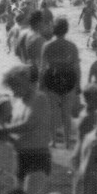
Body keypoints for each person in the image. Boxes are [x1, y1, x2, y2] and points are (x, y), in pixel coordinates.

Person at [0, 64, 54, 194]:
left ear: (26, 82)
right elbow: (15, 133)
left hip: (37, 157)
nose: (13, 91)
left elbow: (30, 124)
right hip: (20, 156)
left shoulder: (39, 99)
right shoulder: (18, 103)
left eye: (15, 86)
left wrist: (4, 130)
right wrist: (0, 133)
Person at [39, 16, 80, 149]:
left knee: (53, 111)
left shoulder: (47, 45)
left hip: (52, 77)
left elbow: (43, 67)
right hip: (68, 77)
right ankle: (67, 142)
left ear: (54, 30)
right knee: (66, 113)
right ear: (66, 30)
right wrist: (78, 84)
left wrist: (41, 84)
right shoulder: (72, 46)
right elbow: (76, 67)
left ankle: (54, 142)